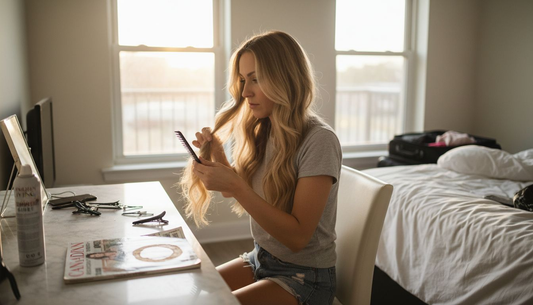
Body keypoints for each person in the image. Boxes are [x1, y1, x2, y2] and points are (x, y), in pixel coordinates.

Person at [179, 30, 342, 305]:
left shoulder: (319, 141)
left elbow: (298, 237)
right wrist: (220, 158)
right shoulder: (264, 130)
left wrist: (237, 186)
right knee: (193, 292)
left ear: (285, 78)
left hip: (306, 278)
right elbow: (244, 194)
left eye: (256, 79)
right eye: (243, 80)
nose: (245, 92)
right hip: (260, 258)